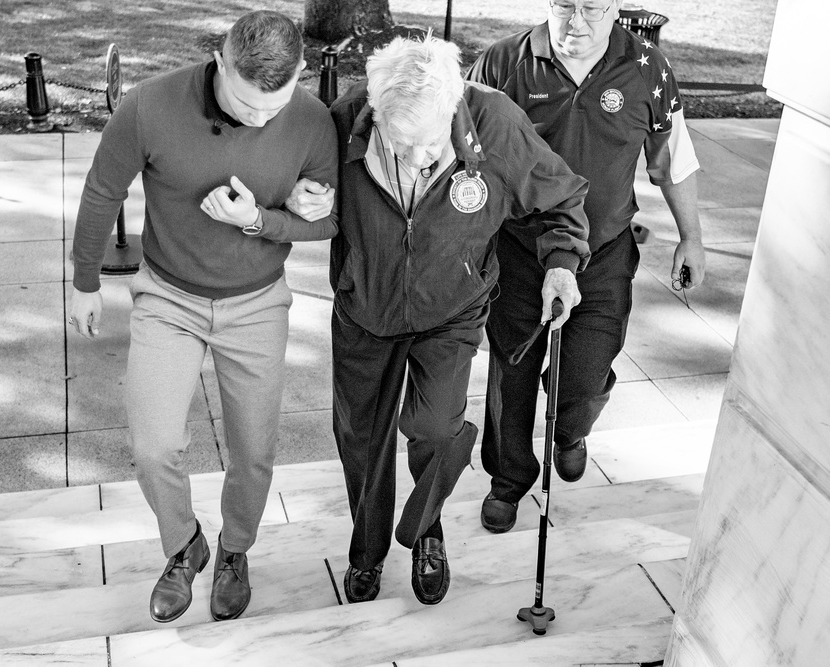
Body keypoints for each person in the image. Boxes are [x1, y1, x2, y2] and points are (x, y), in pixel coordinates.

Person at [67, 11, 337, 623]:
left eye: (276, 104)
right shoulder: (149, 105)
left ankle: (236, 550)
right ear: (220, 58)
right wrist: (85, 280)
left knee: (253, 451)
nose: (259, 119)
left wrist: (259, 221)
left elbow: (328, 222)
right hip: (169, 298)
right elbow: (102, 190)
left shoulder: (315, 121)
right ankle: (183, 544)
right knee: (154, 444)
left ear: (299, 72)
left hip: (258, 301)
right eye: (246, 103)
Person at [309, 33, 590, 606]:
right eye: (400, 141)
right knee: (360, 438)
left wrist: (561, 265)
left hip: (453, 308)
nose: (416, 158)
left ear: (453, 107)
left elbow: (561, 199)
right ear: (374, 110)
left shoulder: (493, 122)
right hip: (366, 308)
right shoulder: (342, 122)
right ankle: (366, 552)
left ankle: (427, 525)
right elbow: (289, 187)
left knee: (437, 428)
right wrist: (298, 201)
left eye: (429, 143)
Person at [466, 0, 707, 534]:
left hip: (604, 252)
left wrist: (691, 237)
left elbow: (672, 160)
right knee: (512, 371)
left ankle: (571, 428)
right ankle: (507, 481)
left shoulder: (648, 68)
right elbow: (466, 159)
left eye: (592, 8)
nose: (575, 21)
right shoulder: (503, 63)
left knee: (587, 369)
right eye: (563, 5)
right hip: (520, 252)